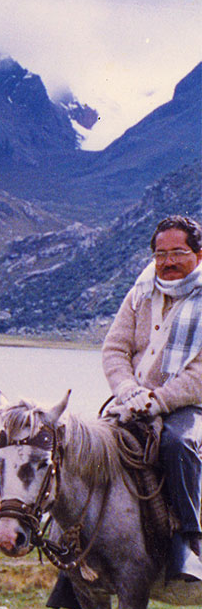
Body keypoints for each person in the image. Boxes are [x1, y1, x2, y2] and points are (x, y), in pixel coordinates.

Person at [103, 215, 202, 584]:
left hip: (189, 405)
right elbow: (115, 348)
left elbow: (199, 374)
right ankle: (78, 563)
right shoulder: (141, 292)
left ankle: (188, 544)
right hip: (133, 398)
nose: (168, 262)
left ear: (199, 254)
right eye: (161, 254)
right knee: (90, 447)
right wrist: (127, 391)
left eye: (178, 252)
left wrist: (158, 401)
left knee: (178, 444)